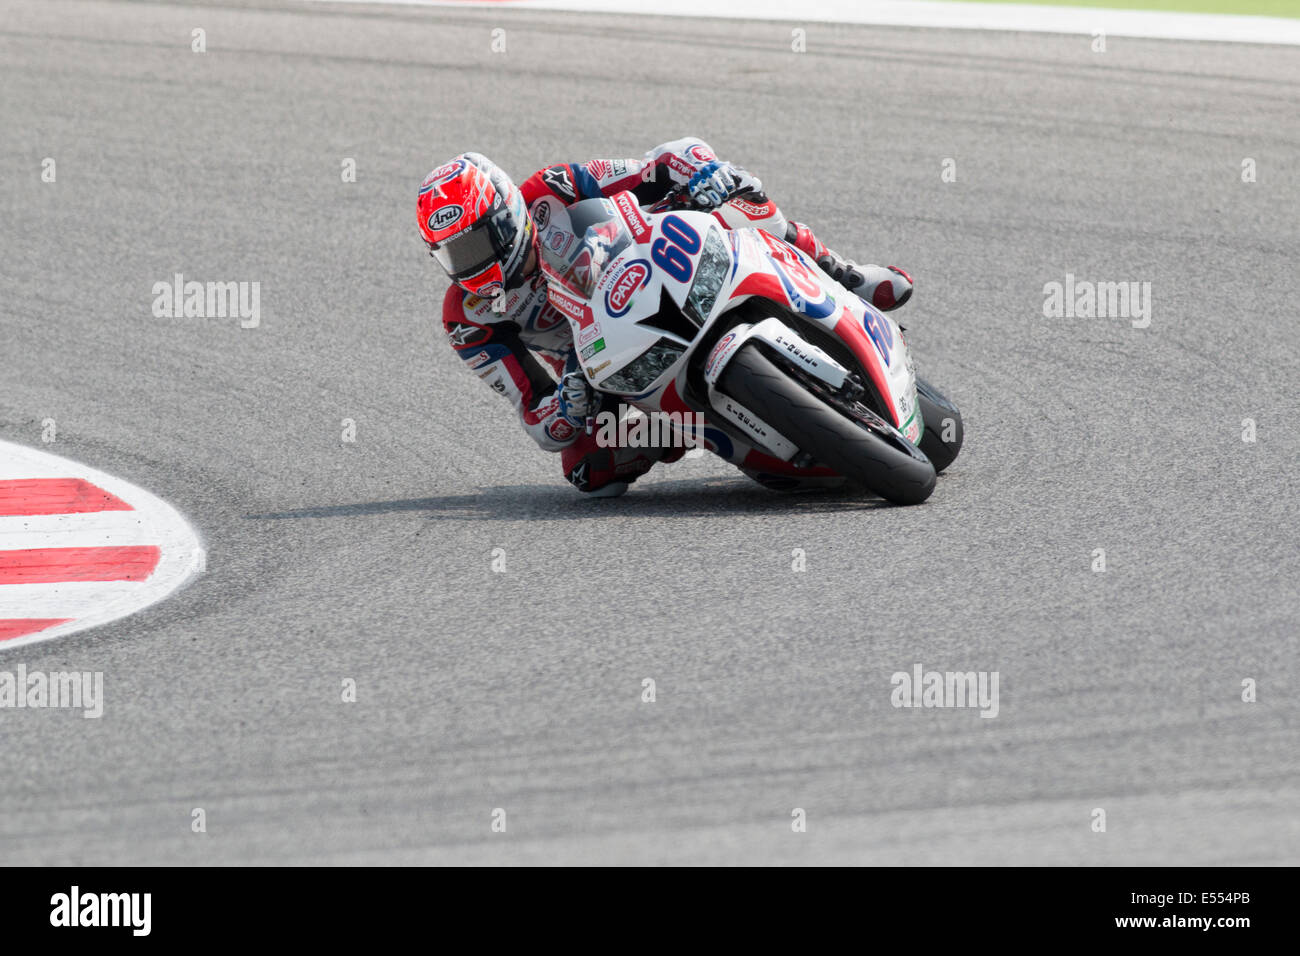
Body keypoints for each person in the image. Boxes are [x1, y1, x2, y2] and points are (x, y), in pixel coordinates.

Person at [418, 138, 912, 496]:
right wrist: (567, 408)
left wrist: (700, 170)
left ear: (505, 215)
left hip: (655, 267)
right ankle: (690, 426)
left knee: (738, 196)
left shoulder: (552, 188)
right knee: (588, 470)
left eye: (473, 245)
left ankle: (838, 272)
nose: (469, 267)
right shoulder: (468, 318)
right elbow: (537, 420)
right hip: (599, 367)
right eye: (452, 256)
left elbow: (654, 165)